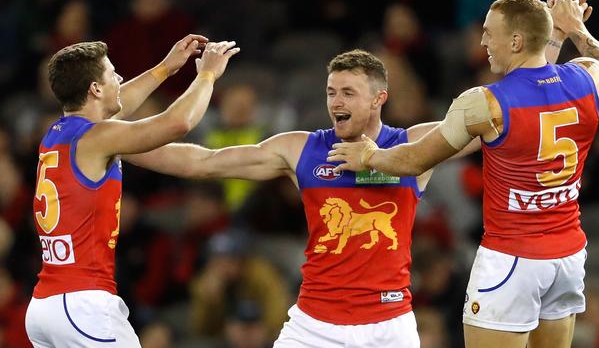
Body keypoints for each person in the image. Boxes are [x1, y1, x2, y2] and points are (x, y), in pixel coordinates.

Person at [327, 0, 599, 348]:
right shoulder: (585, 77)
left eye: (489, 32)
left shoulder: (485, 103)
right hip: (566, 257)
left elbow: (415, 159)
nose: (483, 40)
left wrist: (368, 157)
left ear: (516, 41)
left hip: (511, 259)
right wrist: (573, 30)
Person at [122, 49, 478, 347]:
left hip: (389, 327)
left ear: (378, 99)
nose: (336, 102)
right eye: (331, 92)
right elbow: (199, 162)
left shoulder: (413, 146)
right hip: (314, 325)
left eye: (348, 93)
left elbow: (488, 127)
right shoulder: (300, 149)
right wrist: (115, 145)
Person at [25, 35, 240, 347]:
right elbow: (177, 123)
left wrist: (165, 68)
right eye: (112, 73)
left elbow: (114, 106)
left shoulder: (58, 133)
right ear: (95, 89)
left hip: (46, 305)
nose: (119, 78)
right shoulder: (98, 136)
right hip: (83, 305)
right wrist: (207, 74)